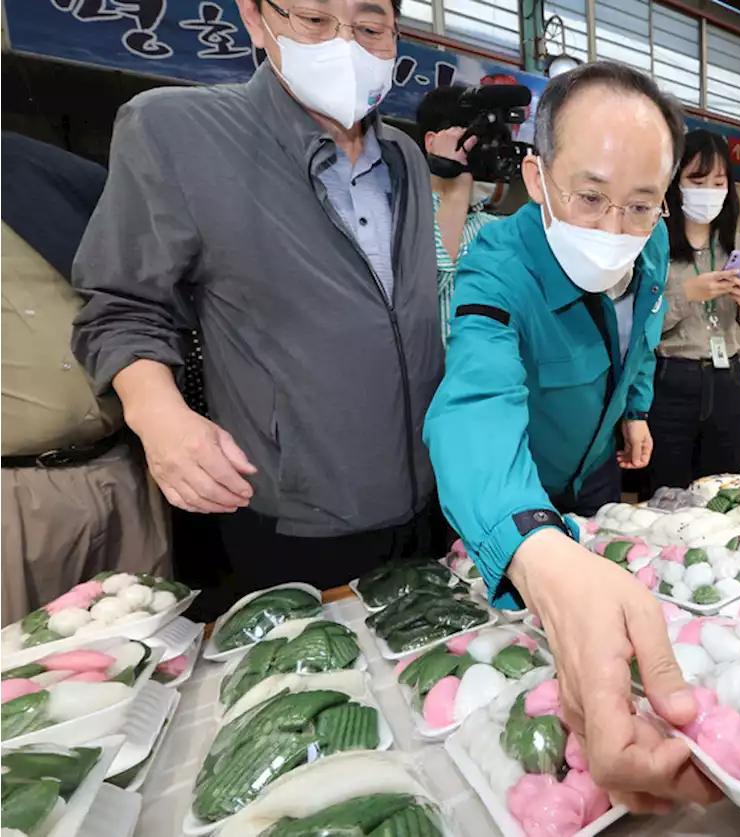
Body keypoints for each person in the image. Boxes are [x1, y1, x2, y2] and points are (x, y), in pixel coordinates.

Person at [422, 62, 719, 812]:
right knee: (519, 659)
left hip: (593, 474)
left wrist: (637, 407)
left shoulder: (649, 248)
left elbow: (643, 335)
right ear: (537, 174)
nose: (613, 229)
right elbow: (473, 404)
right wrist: (534, 544)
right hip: (515, 498)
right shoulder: (496, 263)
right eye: (589, 197)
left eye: (640, 205)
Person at [72, 0, 443, 593]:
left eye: (370, 28)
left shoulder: (405, 158)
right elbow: (121, 304)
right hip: (295, 513)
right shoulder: (179, 133)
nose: (343, 47)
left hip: (427, 497)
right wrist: (158, 415)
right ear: (255, 17)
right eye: (314, 21)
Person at [0, 132, 171, 623]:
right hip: (15, 493)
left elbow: (138, 303)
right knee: (25, 667)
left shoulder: (52, 177)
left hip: (121, 471)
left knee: (148, 644)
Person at [645, 130, 740, 494]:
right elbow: (639, 331)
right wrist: (684, 296)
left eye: (718, 181)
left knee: (726, 489)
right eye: (697, 180)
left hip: (728, 381)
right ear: (674, 183)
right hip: (670, 381)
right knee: (667, 492)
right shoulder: (653, 246)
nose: (709, 191)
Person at [417, 84, 502, 343]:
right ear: (433, 141)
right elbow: (422, 295)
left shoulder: (497, 231)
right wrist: (452, 185)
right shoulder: (401, 216)